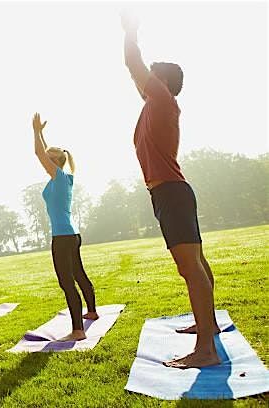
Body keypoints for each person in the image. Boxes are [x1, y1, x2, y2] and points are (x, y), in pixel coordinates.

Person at [121, 14, 220, 368]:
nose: (141, 80)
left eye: (150, 74)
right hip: (171, 193)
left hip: (172, 194)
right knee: (197, 265)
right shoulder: (154, 106)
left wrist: (129, 30)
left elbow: (133, 63)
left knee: (189, 268)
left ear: (160, 80)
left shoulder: (161, 98)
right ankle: (208, 328)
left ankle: (205, 349)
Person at [32, 113, 98, 342]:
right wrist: (41, 133)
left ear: (54, 163)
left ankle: (78, 330)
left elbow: (40, 153)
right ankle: (91, 310)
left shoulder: (60, 178)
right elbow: (46, 152)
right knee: (78, 273)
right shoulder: (61, 178)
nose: (43, 162)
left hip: (62, 236)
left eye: (48, 160)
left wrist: (35, 131)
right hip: (71, 233)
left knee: (66, 281)